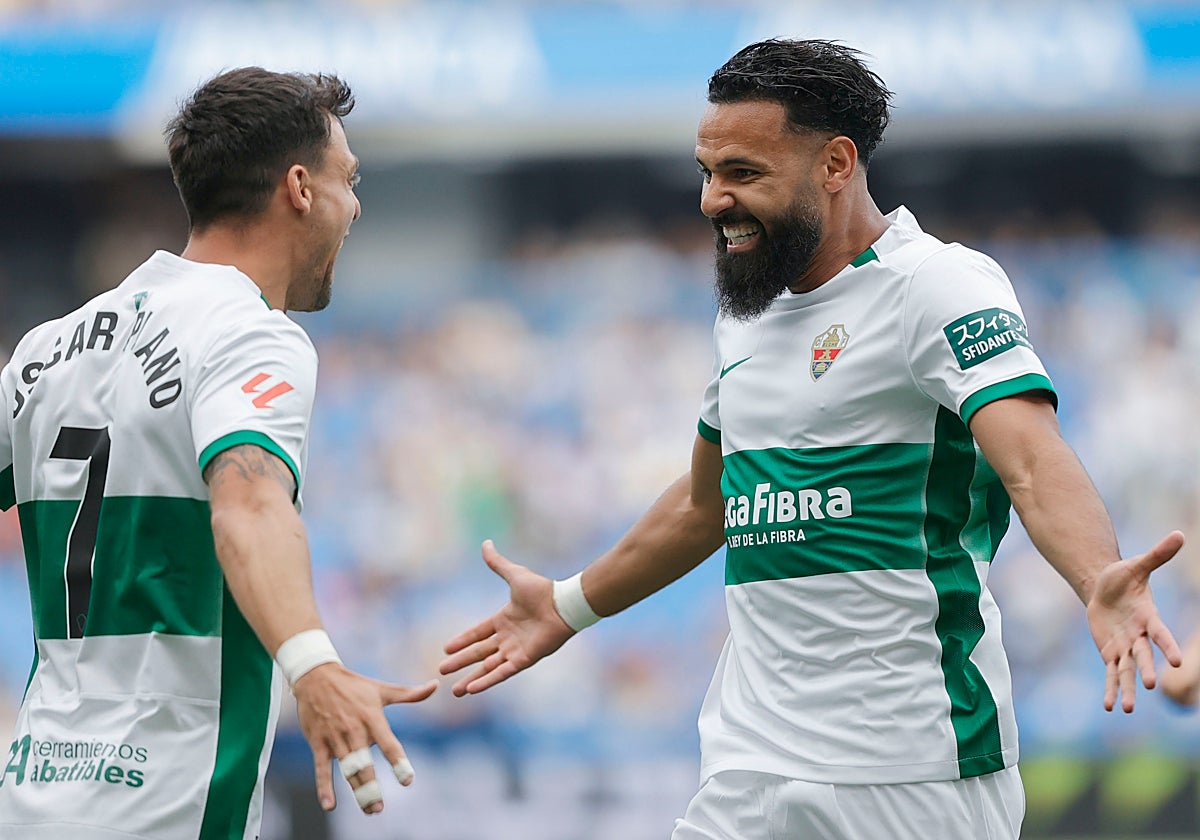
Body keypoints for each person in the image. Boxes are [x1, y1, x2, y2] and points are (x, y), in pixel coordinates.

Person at [439, 39, 1184, 839]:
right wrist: (570, 605)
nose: (712, 200)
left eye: (743, 174)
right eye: (707, 172)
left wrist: (1098, 576)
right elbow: (706, 503)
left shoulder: (936, 285)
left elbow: (1033, 462)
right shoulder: (744, 314)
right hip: (747, 764)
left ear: (836, 164)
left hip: (909, 773)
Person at [0, 67, 436, 839]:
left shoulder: (46, 348)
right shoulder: (249, 334)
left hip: (31, 798)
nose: (356, 204)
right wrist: (313, 664)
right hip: (162, 807)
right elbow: (249, 503)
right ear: (300, 187)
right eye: (350, 179)